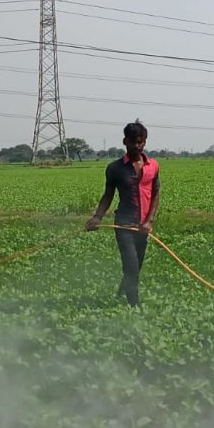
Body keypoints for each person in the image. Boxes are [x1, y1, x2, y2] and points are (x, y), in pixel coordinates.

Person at [86, 119, 161, 306]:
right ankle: (135, 307)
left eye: (141, 141)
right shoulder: (115, 168)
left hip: (143, 227)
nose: (138, 146)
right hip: (123, 225)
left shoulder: (153, 166)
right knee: (131, 266)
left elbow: (156, 193)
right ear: (125, 141)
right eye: (134, 141)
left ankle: (122, 291)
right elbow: (108, 195)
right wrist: (97, 217)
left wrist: (149, 221)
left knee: (136, 267)